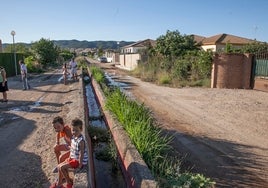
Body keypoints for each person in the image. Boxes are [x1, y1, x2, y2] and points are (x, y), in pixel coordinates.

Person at [50, 118, 88, 188]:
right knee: (56, 150)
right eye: (55, 128)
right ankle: (63, 177)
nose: (57, 129)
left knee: (61, 159)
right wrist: (57, 142)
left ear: (63, 124)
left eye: (58, 127)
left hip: (74, 154)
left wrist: (79, 165)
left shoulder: (71, 133)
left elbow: (80, 152)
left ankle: (62, 182)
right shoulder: (67, 133)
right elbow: (58, 134)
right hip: (72, 150)